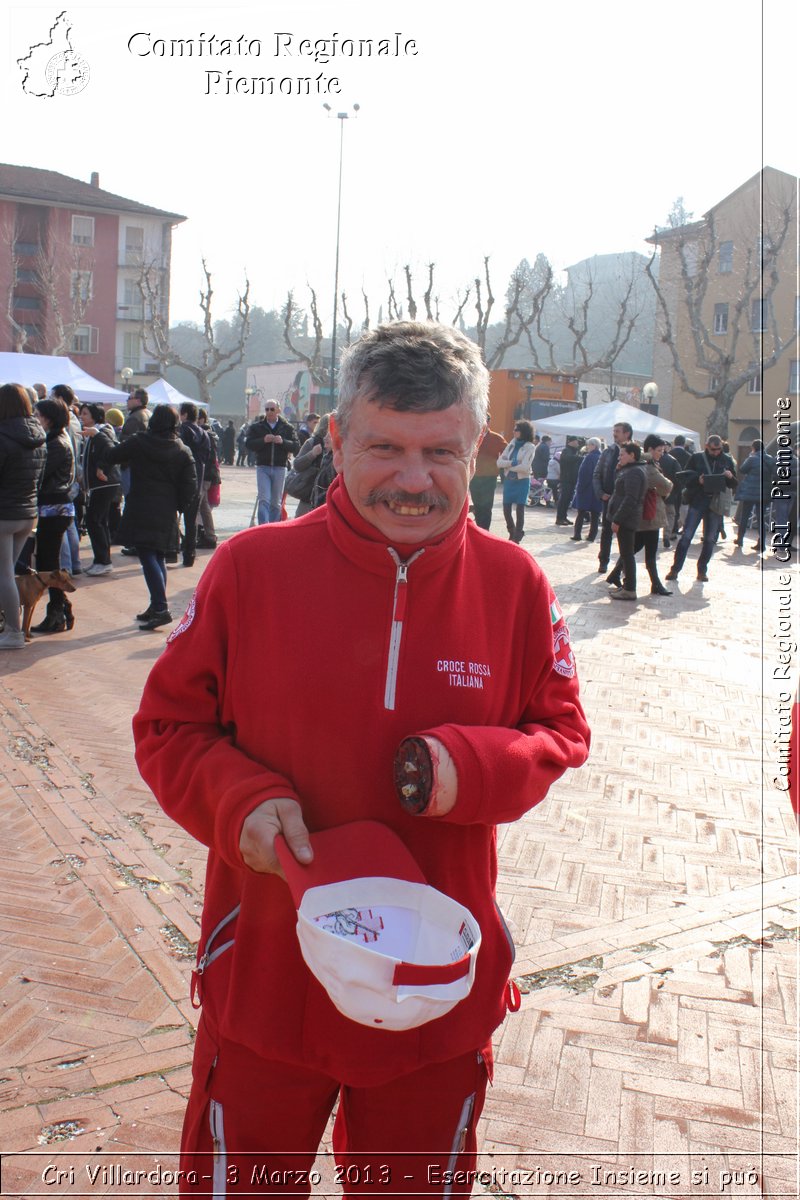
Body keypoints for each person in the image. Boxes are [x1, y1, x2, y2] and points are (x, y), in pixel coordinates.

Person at [132, 321, 590, 1197]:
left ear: (478, 448)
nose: (413, 480)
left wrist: (467, 766)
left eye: (440, 452)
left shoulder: (515, 585)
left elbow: (559, 730)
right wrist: (240, 803)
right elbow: (167, 729)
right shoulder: (249, 569)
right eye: (384, 447)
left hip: (435, 992)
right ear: (336, 439)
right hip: (267, 977)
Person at [101, 403, 198, 630]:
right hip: (166, 508)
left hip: (141, 503)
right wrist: (179, 505)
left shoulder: (140, 442)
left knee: (148, 555)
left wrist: (103, 435)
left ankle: (161, 607)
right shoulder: (182, 450)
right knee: (157, 555)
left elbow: (113, 454)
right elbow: (190, 485)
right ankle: (156, 605)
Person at [0, 384, 46, 650]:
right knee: (7, 571)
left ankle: (14, 632)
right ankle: (12, 628)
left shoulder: (3, 436)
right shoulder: (38, 435)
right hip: (27, 512)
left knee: (4, 573)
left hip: (5, 513)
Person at [30, 397, 77, 634]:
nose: (36, 419)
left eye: (38, 415)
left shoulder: (56, 443)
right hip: (54, 507)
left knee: (49, 563)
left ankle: (57, 611)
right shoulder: (57, 439)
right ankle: (61, 608)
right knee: (48, 561)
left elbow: (41, 474)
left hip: (55, 508)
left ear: (49, 418)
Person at [606, 435, 673, 597]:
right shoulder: (646, 468)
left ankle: (619, 576)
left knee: (631, 549)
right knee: (641, 551)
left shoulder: (637, 467)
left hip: (640, 515)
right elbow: (666, 486)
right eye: (659, 450)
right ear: (649, 450)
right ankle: (649, 584)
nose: (661, 454)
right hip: (647, 516)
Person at [665, 434, 737, 584]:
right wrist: (698, 479)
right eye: (713, 449)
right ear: (706, 447)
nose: (716, 452)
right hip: (698, 500)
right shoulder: (697, 458)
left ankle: (702, 571)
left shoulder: (726, 459)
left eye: (719, 449)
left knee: (710, 540)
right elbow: (685, 477)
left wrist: (730, 477)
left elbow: (734, 484)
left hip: (715, 503)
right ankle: (675, 569)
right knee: (686, 536)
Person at [79, 403, 121, 577]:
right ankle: (101, 560)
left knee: (94, 520)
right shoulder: (95, 432)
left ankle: (103, 560)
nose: (82, 416)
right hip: (100, 484)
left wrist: (101, 468)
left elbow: (111, 451)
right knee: (98, 521)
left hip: (105, 483)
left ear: (95, 416)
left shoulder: (103, 431)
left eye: (85, 413)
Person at [246, 400, 300, 524]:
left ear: (278, 410)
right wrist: (263, 440)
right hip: (263, 467)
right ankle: (263, 528)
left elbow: (296, 446)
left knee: (276, 502)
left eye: (272, 409)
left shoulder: (287, 427)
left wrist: (283, 442)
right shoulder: (257, 427)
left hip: (280, 467)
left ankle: (273, 528)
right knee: (264, 499)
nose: (269, 412)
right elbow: (248, 444)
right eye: (267, 409)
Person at [607, 441, 646, 602]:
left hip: (626, 520)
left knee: (627, 555)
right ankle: (627, 585)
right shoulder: (630, 470)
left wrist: (617, 519)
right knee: (626, 554)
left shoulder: (634, 472)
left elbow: (631, 498)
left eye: (623, 454)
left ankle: (630, 588)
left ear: (632, 455)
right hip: (626, 519)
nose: (619, 457)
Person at [593, 421, 632, 572]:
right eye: (614, 430)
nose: (614, 433)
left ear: (626, 433)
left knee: (626, 534)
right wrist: (601, 493)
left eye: (618, 431)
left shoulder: (635, 452)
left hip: (626, 500)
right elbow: (597, 474)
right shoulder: (608, 452)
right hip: (608, 499)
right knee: (606, 531)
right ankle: (603, 561)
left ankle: (623, 565)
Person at [178, 403, 211, 566]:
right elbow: (207, 456)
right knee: (191, 521)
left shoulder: (182, 431)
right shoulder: (204, 433)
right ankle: (189, 554)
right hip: (198, 477)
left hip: (182, 478)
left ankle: (172, 549)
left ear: (183, 415)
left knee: (174, 516)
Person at [498, 419, 535, 542]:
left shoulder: (530, 447)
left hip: (522, 482)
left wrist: (507, 465)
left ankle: (517, 535)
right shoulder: (511, 444)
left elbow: (525, 467)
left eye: (516, 429)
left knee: (520, 509)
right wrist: (511, 463)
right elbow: (499, 463)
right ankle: (511, 530)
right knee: (506, 509)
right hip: (509, 480)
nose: (514, 431)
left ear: (523, 431)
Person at [734, 440, 774, 552]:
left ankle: (740, 539)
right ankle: (762, 543)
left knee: (745, 516)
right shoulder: (770, 459)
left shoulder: (752, 459)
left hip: (750, 492)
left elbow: (742, 469)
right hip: (764, 493)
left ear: (753, 448)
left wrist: (749, 457)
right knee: (761, 518)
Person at [468, 418, 507, 530]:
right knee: (478, 505)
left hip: (489, 478)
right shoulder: (473, 437)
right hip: (474, 476)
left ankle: (485, 531)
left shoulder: (496, 438)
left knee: (486, 506)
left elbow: (508, 451)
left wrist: (500, 463)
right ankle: (479, 529)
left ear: (488, 422)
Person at [290, 413, 330, 517]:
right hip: (310, 493)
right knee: (301, 524)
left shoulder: (341, 446)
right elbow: (297, 464)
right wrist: (312, 454)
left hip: (329, 496)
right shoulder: (313, 442)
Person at [569, 438, 603, 542]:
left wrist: (579, 488)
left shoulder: (589, 457)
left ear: (594, 446)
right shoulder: (602, 457)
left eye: (589, 445)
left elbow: (583, 474)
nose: (587, 447)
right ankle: (592, 536)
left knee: (581, 513)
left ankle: (577, 534)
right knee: (595, 514)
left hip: (587, 489)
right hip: (597, 489)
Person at [554, 435, 581, 526]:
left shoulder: (574, 451)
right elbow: (568, 459)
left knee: (568, 499)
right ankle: (559, 518)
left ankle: (564, 517)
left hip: (572, 479)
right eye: (576, 441)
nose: (578, 443)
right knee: (564, 499)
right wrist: (580, 458)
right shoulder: (566, 451)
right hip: (566, 479)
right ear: (571, 442)